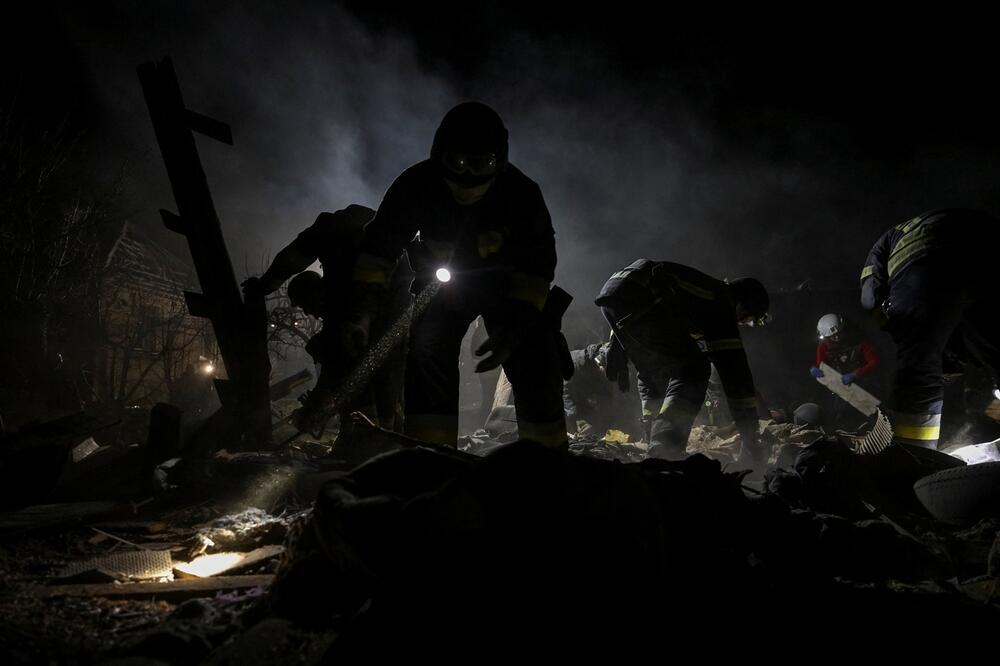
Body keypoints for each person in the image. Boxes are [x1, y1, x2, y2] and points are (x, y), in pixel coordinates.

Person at [344, 102, 568, 448]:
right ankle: (432, 456)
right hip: (444, 287)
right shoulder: (416, 185)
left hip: (508, 291)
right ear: (439, 156)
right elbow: (377, 252)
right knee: (427, 353)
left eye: (481, 164)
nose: (467, 176)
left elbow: (538, 268)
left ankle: (547, 460)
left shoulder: (521, 194)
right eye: (456, 162)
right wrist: (361, 313)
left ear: (499, 162)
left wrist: (519, 325)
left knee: (536, 357)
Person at [243, 205, 410, 435]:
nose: (310, 314)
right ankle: (391, 432)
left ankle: (366, 436)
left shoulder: (332, 244)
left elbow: (291, 259)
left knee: (359, 361)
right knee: (388, 370)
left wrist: (264, 286)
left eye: (305, 306)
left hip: (384, 307)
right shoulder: (372, 240)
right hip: (400, 305)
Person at [597, 259, 770, 467]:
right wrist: (751, 438)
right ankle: (665, 448)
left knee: (654, 370)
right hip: (641, 297)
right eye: (747, 318)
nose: (741, 323)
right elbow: (736, 376)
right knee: (695, 368)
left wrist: (616, 343)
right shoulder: (721, 302)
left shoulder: (703, 294)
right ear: (742, 304)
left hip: (613, 295)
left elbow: (627, 293)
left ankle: (654, 438)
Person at [860, 208, 1000, 449]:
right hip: (990, 251)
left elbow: (870, 298)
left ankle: (916, 454)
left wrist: (898, 329)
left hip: (927, 257)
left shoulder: (886, 250)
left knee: (918, 362)